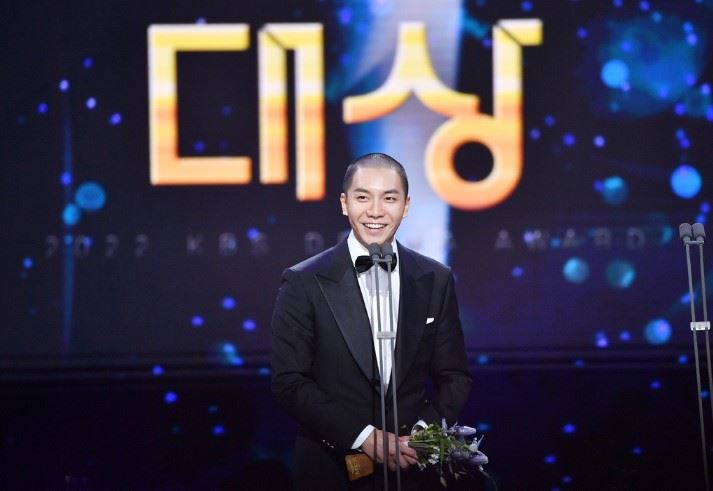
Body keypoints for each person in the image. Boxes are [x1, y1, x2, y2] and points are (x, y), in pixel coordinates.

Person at [271, 153, 472, 490]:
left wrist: (422, 436)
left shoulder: (435, 278)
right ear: (344, 203)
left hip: (412, 469)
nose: (375, 211)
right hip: (333, 469)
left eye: (389, 198)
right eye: (363, 197)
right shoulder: (304, 281)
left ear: (406, 206)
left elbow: (455, 376)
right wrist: (363, 437)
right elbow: (289, 381)